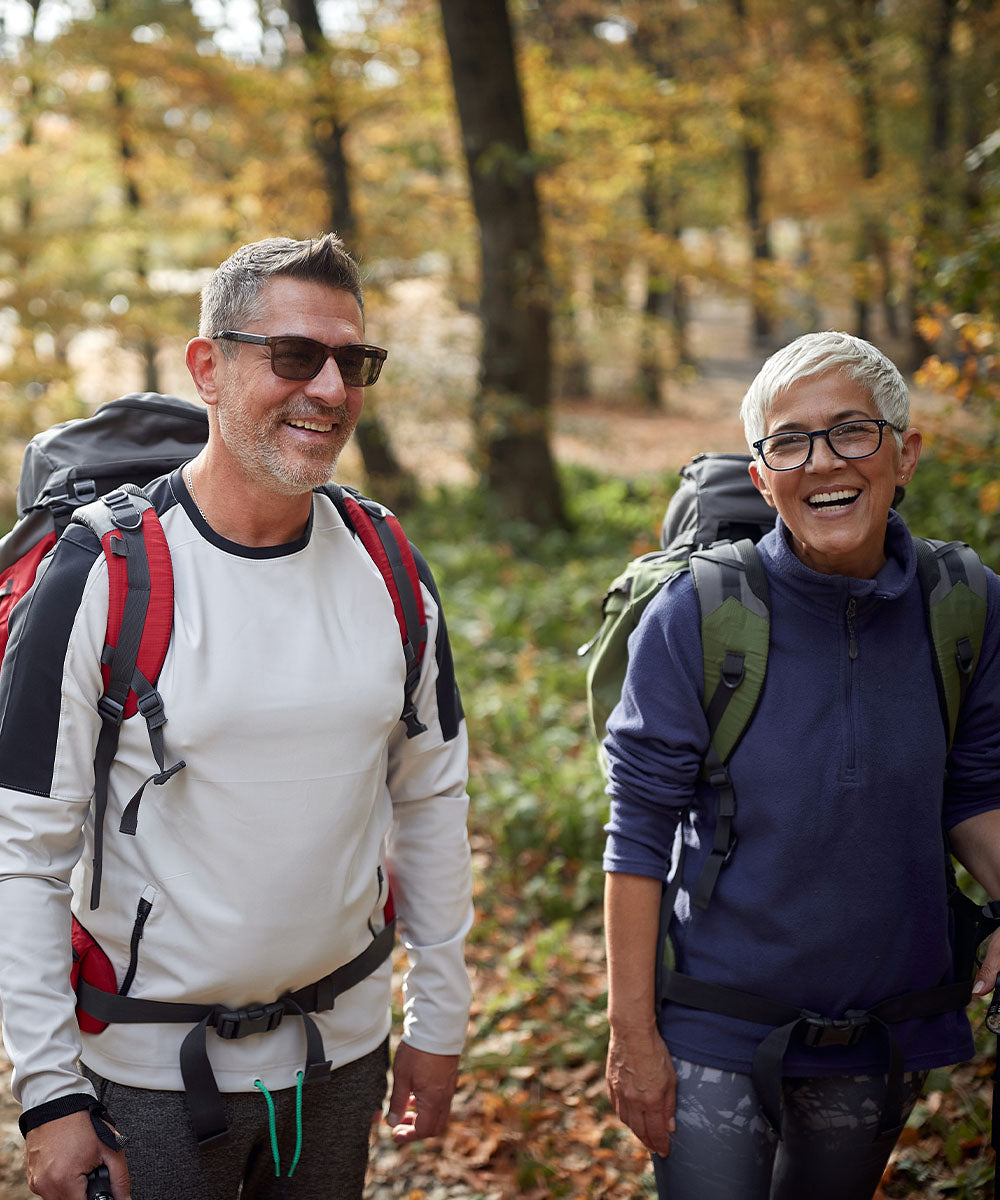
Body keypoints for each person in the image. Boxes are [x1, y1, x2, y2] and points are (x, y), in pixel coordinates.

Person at [0, 234, 474, 1200]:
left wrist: (439, 1021)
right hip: (149, 1073)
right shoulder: (105, 574)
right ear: (208, 368)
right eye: (295, 355)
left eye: (354, 362)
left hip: (342, 1055)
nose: (330, 390)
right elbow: (23, 849)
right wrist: (48, 1093)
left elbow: (432, 799)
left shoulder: (388, 564)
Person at [602, 331, 1000, 1199]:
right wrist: (632, 1034)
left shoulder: (964, 606)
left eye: (852, 430)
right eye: (789, 442)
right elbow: (638, 833)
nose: (822, 462)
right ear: (761, 476)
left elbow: (973, 789)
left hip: (881, 1033)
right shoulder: (695, 614)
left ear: (905, 453)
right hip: (714, 1026)